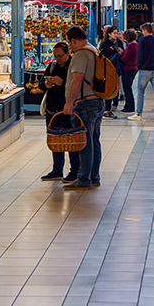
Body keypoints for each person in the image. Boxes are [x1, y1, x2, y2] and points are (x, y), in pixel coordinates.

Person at [63, 26, 104, 190]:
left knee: (84, 142)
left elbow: (77, 79)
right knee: (94, 140)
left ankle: (84, 178)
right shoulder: (94, 50)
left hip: (85, 102)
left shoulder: (81, 54)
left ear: (74, 40)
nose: (70, 48)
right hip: (97, 101)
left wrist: (69, 102)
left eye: (70, 43)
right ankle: (94, 176)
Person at [39, 41, 81, 181]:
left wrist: (62, 83)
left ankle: (75, 171)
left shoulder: (74, 66)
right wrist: (46, 84)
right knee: (56, 140)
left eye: (60, 56)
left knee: (71, 140)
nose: (57, 59)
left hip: (68, 109)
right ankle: (57, 170)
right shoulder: (52, 66)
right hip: (53, 109)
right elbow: (40, 84)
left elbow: (78, 86)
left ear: (68, 53)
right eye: (55, 56)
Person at [128, 22, 154, 122]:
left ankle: (138, 114)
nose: (142, 33)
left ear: (145, 30)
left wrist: (139, 67)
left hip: (145, 70)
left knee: (140, 92)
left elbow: (140, 56)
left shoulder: (143, 41)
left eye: (142, 31)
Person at [99, 26, 123, 119]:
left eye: (116, 33)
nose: (116, 35)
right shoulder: (106, 44)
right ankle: (106, 110)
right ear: (109, 34)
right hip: (107, 69)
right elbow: (103, 56)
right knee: (108, 89)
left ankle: (108, 108)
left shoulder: (115, 43)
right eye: (114, 33)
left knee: (112, 88)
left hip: (113, 69)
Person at [119, 28, 138, 112]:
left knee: (127, 88)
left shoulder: (131, 46)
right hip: (134, 68)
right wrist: (123, 52)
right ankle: (129, 105)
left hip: (128, 68)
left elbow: (125, 58)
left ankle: (130, 107)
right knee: (128, 88)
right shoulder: (136, 45)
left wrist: (120, 56)